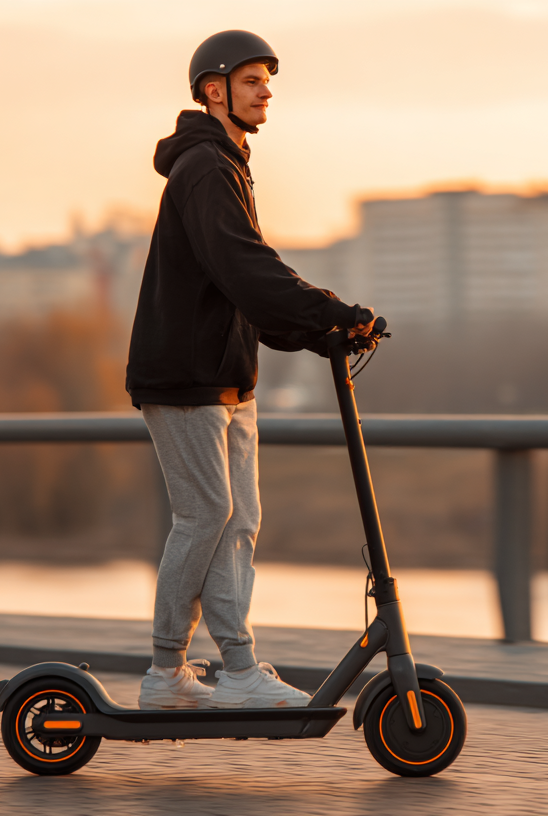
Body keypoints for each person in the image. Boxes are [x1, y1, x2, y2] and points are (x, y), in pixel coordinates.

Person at [126, 30, 375, 710]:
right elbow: (248, 269)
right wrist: (332, 310)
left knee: (239, 519)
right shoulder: (205, 167)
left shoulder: (228, 164)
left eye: (269, 79)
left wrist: (319, 332)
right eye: (253, 79)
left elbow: (246, 295)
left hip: (228, 375)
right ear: (214, 90)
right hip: (183, 376)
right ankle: (164, 672)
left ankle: (237, 669)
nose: (267, 89)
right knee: (205, 514)